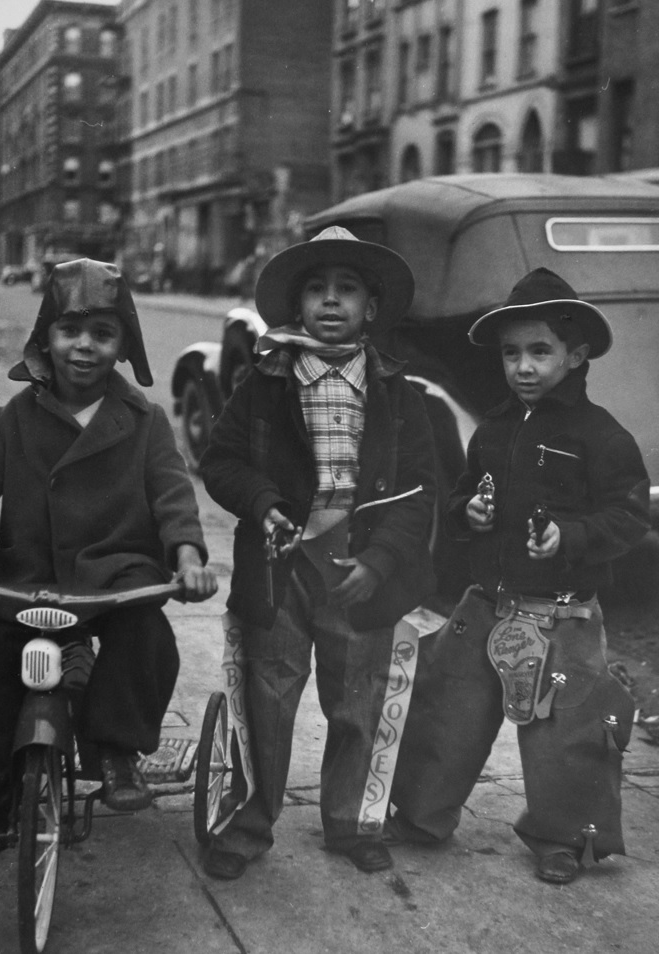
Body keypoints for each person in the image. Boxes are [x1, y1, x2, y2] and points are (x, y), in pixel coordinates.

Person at [0, 258, 217, 884]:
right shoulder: (14, 418)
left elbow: (174, 496)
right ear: (45, 338)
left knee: (147, 640)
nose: (85, 346)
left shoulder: (145, 422)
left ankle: (117, 750)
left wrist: (188, 558)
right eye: (70, 331)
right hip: (28, 582)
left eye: (103, 332)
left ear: (124, 345)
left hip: (116, 579)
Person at [386, 267, 650, 885]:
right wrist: (467, 513)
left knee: (568, 732)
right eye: (511, 353)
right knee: (446, 709)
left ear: (576, 355)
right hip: (487, 604)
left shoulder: (601, 436)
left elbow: (629, 512)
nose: (523, 367)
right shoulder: (495, 429)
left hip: (563, 614)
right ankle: (421, 814)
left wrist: (572, 535)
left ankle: (562, 838)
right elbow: (458, 494)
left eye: (540, 351)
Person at [199, 226, 437, 879]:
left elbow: (420, 493)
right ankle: (248, 825)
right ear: (296, 305)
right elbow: (219, 461)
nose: (331, 301)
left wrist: (381, 560)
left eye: (347, 289)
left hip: (361, 570)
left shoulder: (397, 391)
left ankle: (353, 822)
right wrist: (263, 501)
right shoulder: (265, 382)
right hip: (281, 566)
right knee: (268, 696)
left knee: (358, 698)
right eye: (316, 288)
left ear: (371, 306)